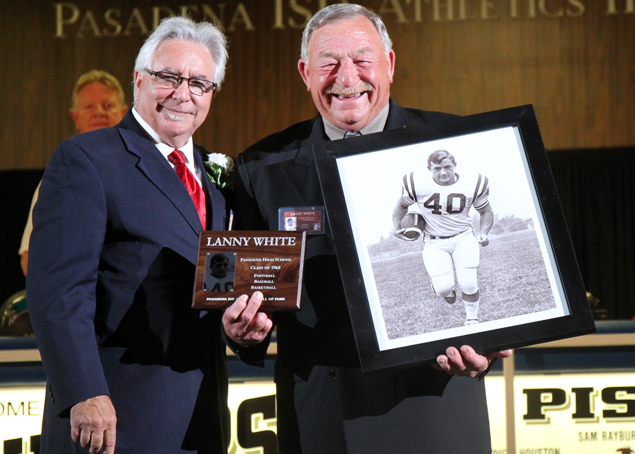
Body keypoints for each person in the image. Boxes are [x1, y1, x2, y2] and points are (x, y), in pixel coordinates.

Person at [233, 4, 510, 453]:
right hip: (322, 420)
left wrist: (493, 340)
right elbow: (250, 300)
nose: (346, 78)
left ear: (390, 64)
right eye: (328, 63)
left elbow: (498, 290)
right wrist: (242, 330)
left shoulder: (458, 145)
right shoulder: (261, 169)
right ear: (305, 73)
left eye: (362, 59)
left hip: (435, 412)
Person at [27, 17, 270, 454]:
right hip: (113, 419)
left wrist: (241, 332)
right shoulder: (86, 159)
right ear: (138, 79)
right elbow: (58, 291)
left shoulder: (218, 180)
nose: (183, 93)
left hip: (201, 419)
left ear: (212, 94)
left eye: (199, 82)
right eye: (168, 77)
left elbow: (212, 293)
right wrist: (84, 392)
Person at [18, 70, 129, 276]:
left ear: (124, 113)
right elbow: (30, 258)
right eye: (89, 106)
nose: (99, 112)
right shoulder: (57, 179)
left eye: (107, 105)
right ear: (75, 117)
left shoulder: (147, 172)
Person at [392, 149, 494, 325]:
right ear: (429, 169)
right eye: (437, 168)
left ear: (455, 166)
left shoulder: (474, 182)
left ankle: (472, 319)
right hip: (434, 242)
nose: (443, 172)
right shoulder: (417, 184)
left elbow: (485, 211)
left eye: (447, 167)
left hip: (463, 237)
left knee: (469, 283)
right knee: (443, 289)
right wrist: (396, 228)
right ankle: (444, 290)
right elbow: (401, 206)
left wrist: (484, 232)